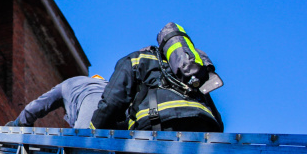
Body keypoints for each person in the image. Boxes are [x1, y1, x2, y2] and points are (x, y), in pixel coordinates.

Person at [90, 24, 223, 133]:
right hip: (204, 125)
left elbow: (112, 102)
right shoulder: (190, 69)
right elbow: (216, 116)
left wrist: (93, 132)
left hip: (158, 126)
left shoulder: (137, 59)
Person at [5, 75, 108, 128]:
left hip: (91, 105)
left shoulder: (69, 84)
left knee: (83, 149)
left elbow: (35, 107)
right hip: (119, 110)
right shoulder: (106, 84)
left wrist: (18, 125)